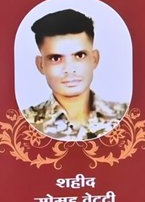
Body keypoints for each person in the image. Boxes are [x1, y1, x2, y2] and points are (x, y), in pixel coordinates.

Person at [22, 8, 129, 142]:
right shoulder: (22, 124)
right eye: (56, 58)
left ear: (95, 59)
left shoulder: (128, 117)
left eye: (79, 55)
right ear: (41, 65)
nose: (69, 69)